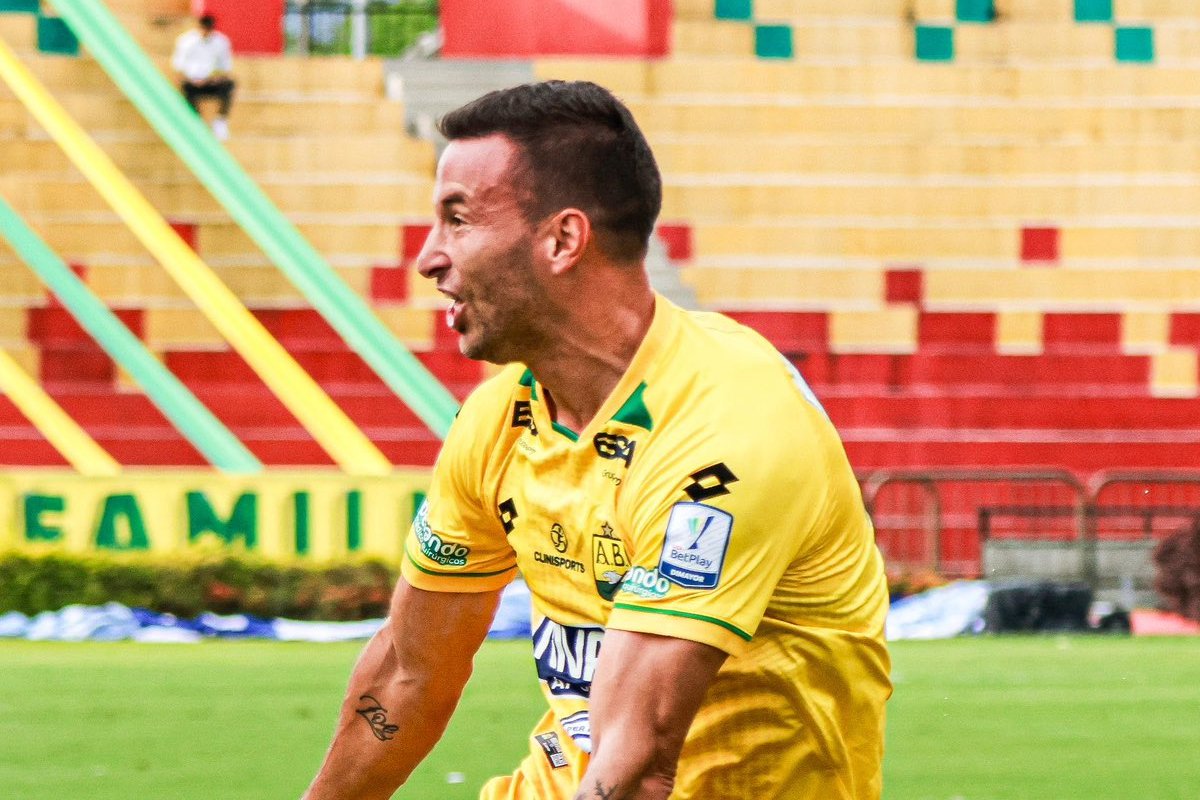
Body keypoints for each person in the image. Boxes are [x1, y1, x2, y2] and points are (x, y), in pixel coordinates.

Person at [303, 80, 891, 800]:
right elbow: (408, 673)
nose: (429, 258)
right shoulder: (496, 423)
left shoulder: (724, 431)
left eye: (457, 220)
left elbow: (638, 767)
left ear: (563, 239)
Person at [171, 15, 235, 141]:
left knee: (229, 85)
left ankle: (220, 121)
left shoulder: (221, 41)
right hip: (192, 81)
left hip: (211, 80)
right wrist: (191, 80)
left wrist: (215, 79)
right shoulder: (186, 41)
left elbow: (226, 68)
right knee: (185, 88)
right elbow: (178, 68)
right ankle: (196, 122)